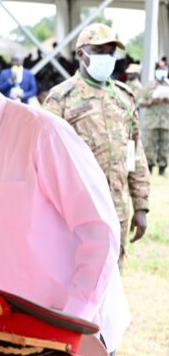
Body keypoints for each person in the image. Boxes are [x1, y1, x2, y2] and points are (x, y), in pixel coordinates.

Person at [0, 39, 129, 356]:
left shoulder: (43, 134)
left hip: (69, 329)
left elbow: (99, 232)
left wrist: (72, 322)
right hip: (3, 332)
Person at [43, 24, 150, 269]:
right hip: (77, 214)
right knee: (78, 283)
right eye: (98, 50)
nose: (106, 58)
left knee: (113, 280)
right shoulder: (62, 98)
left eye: (110, 52)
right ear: (81, 54)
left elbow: (135, 153)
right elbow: (45, 160)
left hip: (117, 212)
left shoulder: (124, 97)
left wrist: (141, 205)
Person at [139, 64, 169, 176]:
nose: (162, 72)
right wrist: (150, 102)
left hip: (166, 121)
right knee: (149, 145)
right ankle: (149, 168)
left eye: (164, 69)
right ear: (156, 71)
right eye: (160, 70)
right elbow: (139, 101)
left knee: (165, 146)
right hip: (151, 122)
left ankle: (162, 168)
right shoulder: (149, 86)